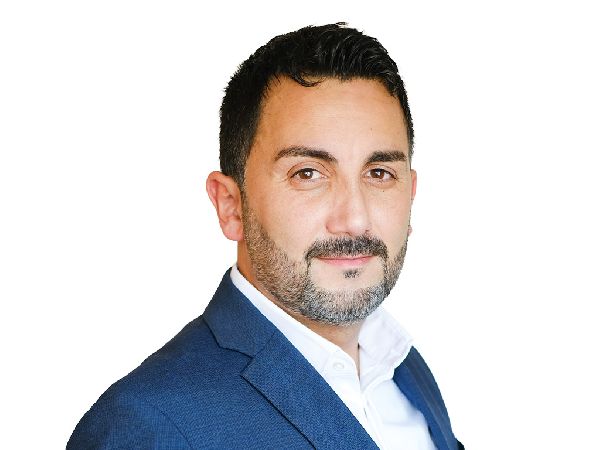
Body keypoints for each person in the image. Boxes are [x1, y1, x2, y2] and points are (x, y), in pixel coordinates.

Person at [68, 23, 463, 450]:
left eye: (379, 173)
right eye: (307, 174)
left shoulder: (405, 371)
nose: (354, 219)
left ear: (411, 193)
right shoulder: (145, 425)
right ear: (231, 206)